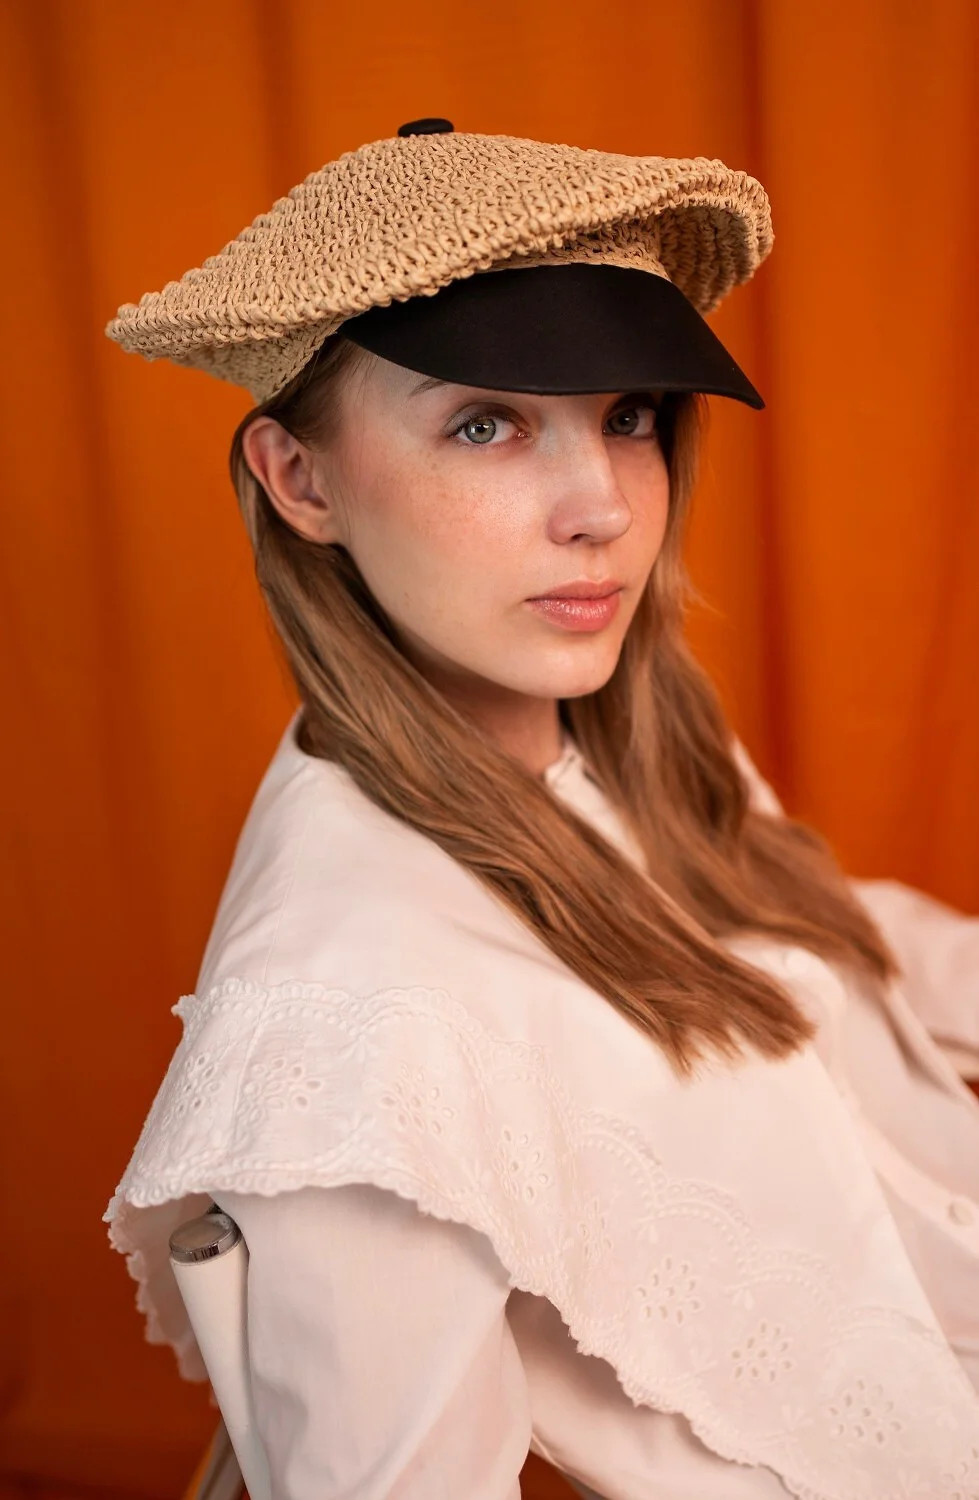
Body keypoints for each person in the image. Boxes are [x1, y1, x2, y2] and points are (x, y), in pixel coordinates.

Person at [102, 120, 979, 1499]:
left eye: (628, 418)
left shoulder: (621, 727)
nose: (604, 509)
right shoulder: (350, 1028)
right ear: (302, 481)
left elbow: (790, 927)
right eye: (486, 424)